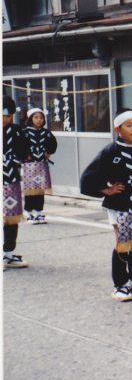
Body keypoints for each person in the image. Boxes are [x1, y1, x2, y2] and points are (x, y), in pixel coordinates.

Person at [80, 109, 132, 301]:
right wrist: (106, 190)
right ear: (118, 129)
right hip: (120, 201)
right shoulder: (111, 150)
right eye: (129, 125)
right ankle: (120, 284)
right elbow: (89, 176)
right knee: (122, 242)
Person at [4, 96, 29, 268]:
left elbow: (23, 150)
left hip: (11, 178)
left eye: (8, 116)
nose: (5, 119)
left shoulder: (16, 130)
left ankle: (8, 253)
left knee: (11, 218)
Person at [21, 107, 58, 224]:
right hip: (29, 165)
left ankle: (38, 212)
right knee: (30, 190)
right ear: (30, 119)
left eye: (41, 117)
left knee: (40, 190)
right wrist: (23, 155)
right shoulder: (24, 132)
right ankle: (29, 212)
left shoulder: (46, 133)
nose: (39, 120)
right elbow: (18, 145)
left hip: (41, 164)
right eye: (36, 117)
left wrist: (49, 152)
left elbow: (53, 143)